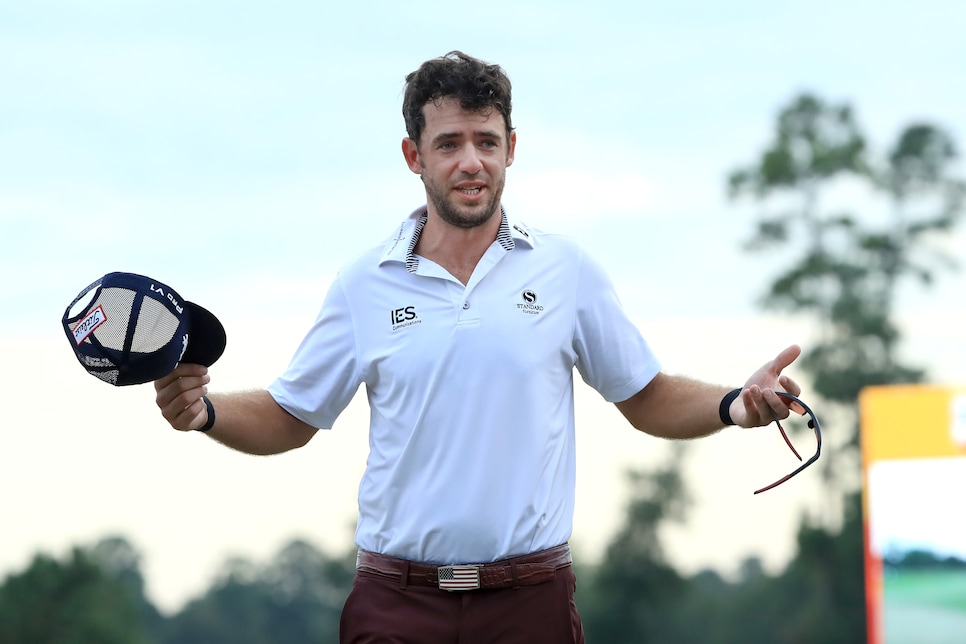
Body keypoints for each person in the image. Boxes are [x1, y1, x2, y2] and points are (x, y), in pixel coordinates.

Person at [154, 51, 803, 644]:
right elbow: (291, 416)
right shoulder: (362, 286)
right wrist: (204, 413)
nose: (472, 161)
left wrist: (737, 405)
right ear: (414, 156)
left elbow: (647, 396)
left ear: (511, 148)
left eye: (487, 141)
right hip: (395, 605)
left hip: (531, 602)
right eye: (450, 144)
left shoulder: (565, 270)